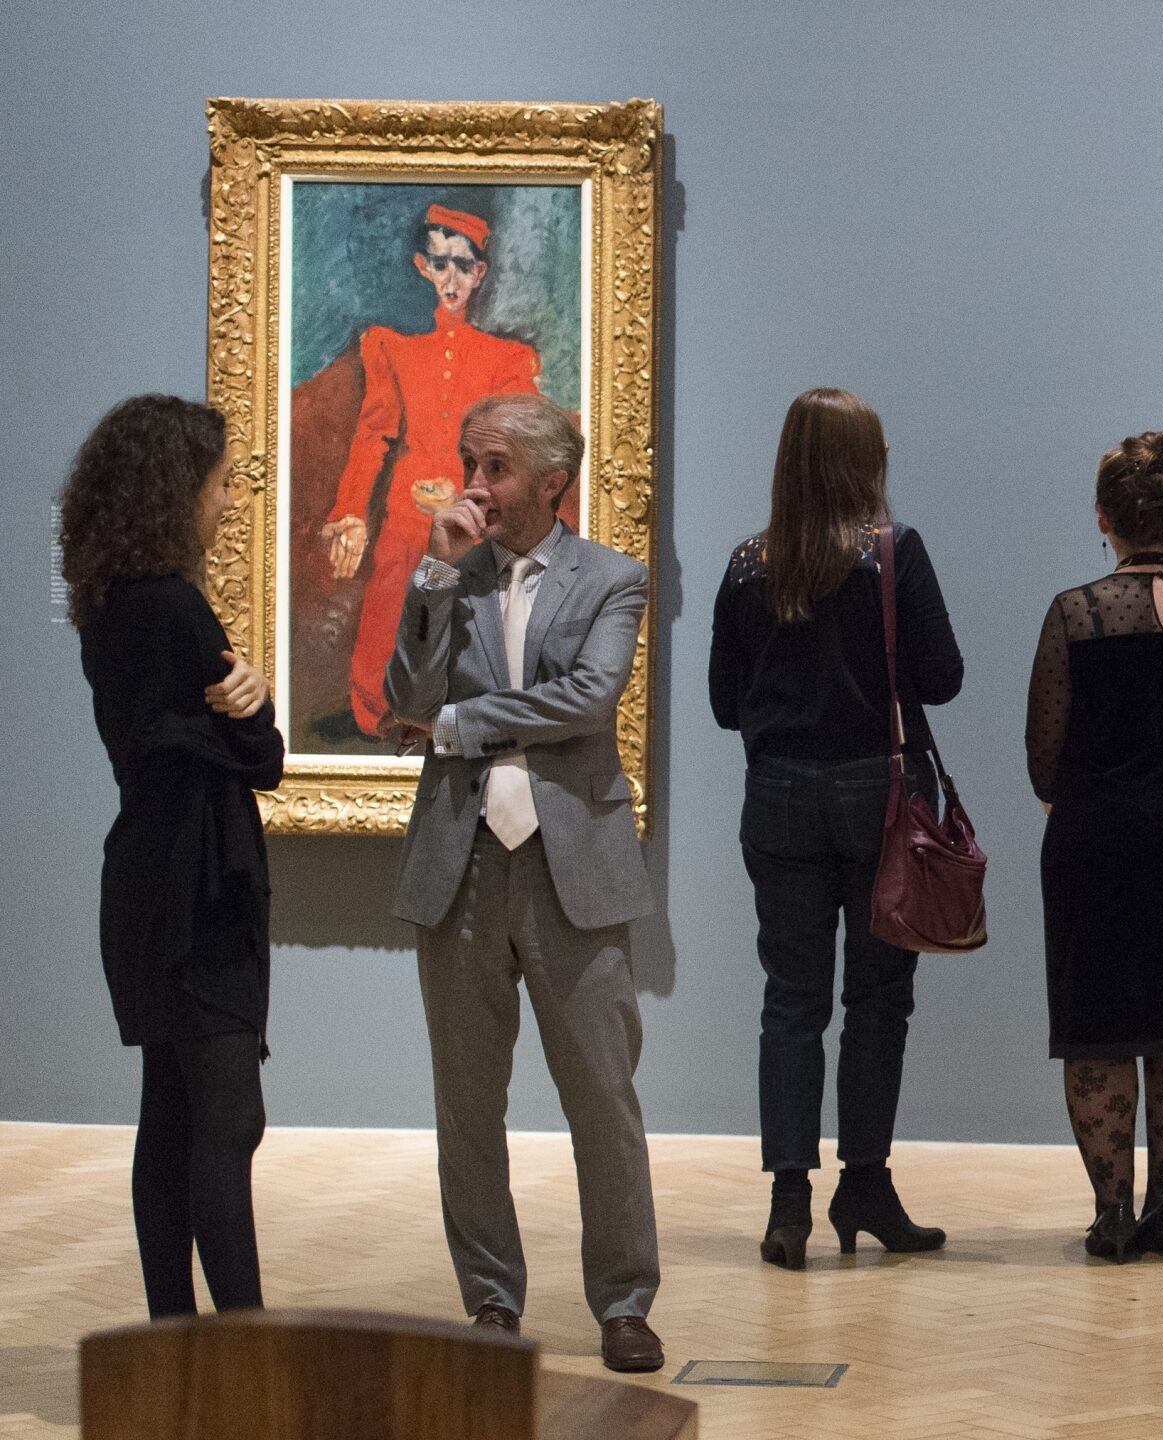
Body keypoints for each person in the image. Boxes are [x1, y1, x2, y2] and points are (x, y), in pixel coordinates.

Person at [380, 391, 664, 1372]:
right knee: (468, 1108)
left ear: (553, 482)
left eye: (495, 467)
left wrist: (458, 727)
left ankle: (623, 1304)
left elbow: (588, 698)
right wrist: (431, 573)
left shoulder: (613, 578)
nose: (474, 485)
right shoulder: (448, 577)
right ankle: (492, 1303)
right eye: (470, 462)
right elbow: (401, 697)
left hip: (572, 868)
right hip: (456, 868)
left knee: (602, 1102)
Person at [710, 388, 961, 1270]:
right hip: (879, 796)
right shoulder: (894, 552)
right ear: (867, 462)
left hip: (778, 794)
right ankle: (865, 1183)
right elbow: (945, 677)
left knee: (791, 1001)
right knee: (878, 1001)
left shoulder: (750, 563)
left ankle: (789, 1204)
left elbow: (723, 703)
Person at [61, 394, 283, 1318]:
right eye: (220, 483)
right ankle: (242, 1351)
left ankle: (173, 1340)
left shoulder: (110, 603)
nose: (228, 501)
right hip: (198, 887)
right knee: (227, 1119)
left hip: (149, 882)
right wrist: (257, 706)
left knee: (173, 1115)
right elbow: (260, 757)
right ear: (174, 489)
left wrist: (244, 712)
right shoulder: (175, 608)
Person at [1027, 428, 1163, 1261]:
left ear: (1103, 519)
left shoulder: (1075, 614)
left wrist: (1081, 795)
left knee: (1100, 1026)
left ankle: (1112, 1212)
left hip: (1096, 836)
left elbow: (1043, 752)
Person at [319, 203, 542, 738]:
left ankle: (457, 719)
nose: (451, 278)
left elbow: (522, 453)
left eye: (463, 266)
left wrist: (466, 495)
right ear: (423, 267)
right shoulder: (391, 347)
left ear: (479, 273)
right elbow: (373, 437)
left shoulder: (507, 359)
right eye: (441, 264)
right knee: (389, 609)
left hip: (475, 519)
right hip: (404, 514)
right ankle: (380, 714)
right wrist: (351, 512)